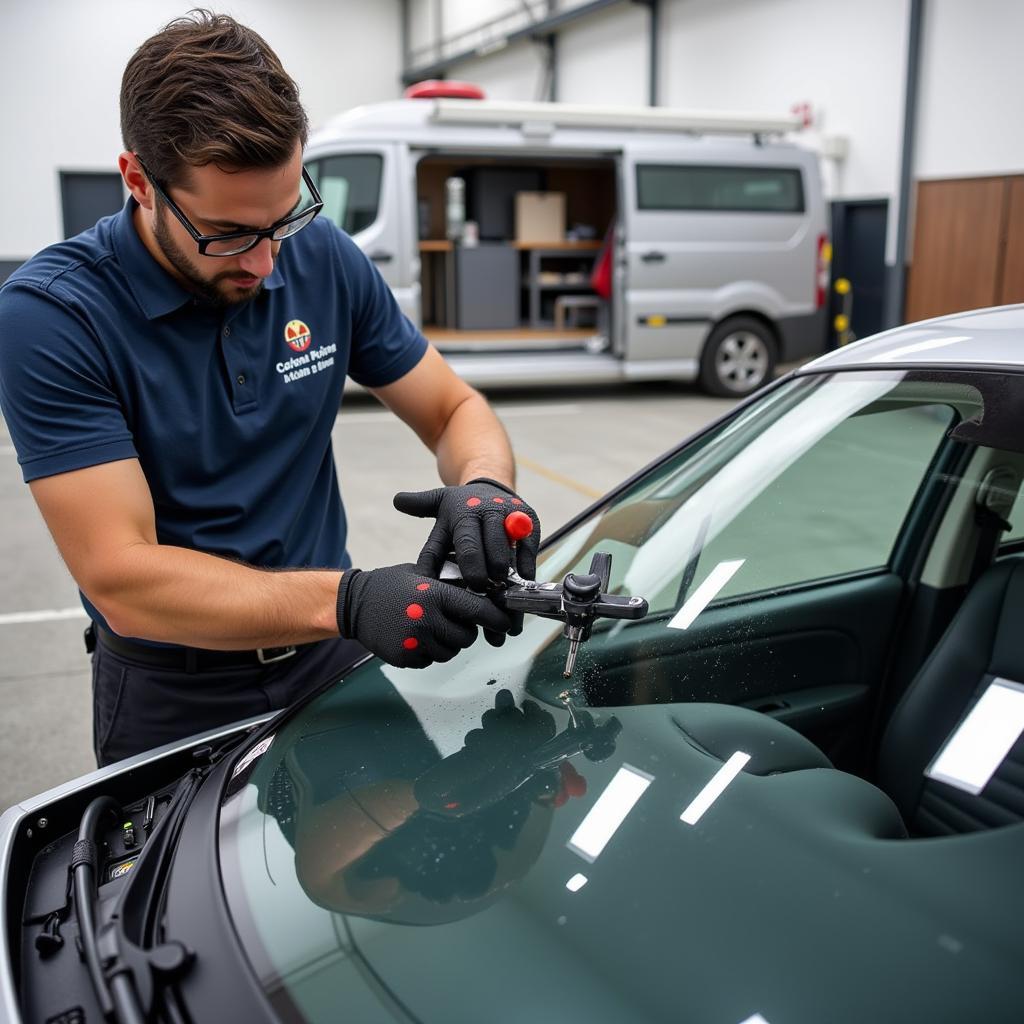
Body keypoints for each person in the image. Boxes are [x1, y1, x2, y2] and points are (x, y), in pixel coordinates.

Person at [0, 11, 540, 767]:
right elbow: (122, 574)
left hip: (327, 659)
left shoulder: (321, 255)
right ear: (138, 182)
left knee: (377, 881)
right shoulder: (54, 316)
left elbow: (454, 408)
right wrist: (348, 599)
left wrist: (486, 490)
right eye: (227, 233)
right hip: (174, 688)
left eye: (282, 219)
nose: (263, 263)